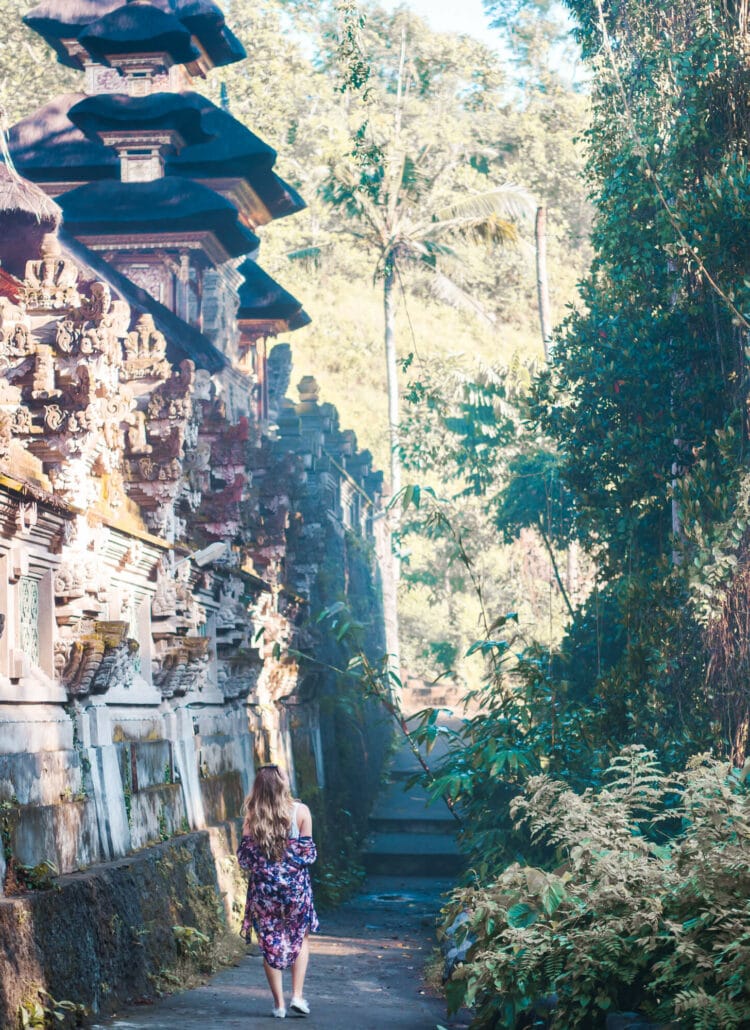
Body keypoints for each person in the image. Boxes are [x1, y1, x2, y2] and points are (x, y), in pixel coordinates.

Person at [237, 764, 319, 1019]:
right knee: (300, 937)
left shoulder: (252, 815)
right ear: (283, 785)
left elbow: (245, 859)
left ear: (258, 788)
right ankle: (297, 995)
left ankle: (279, 1005)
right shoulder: (301, 812)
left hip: (264, 892)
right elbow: (308, 854)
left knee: (269, 942)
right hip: (295, 890)